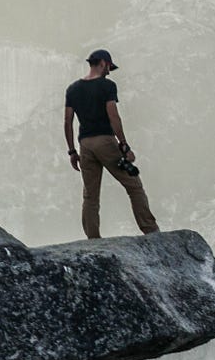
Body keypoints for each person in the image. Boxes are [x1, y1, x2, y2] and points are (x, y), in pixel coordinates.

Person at [64, 49, 159, 238]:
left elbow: (67, 121)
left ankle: (93, 238)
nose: (109, 71)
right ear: (102, 63)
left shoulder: (73, 89)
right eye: (109, 67)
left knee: (90, 195)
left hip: (85, 145)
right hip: (105, 142)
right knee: (133, 185)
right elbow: (113, 115)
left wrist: (72, 152)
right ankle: (150, 230)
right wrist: (123, 144)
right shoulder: (107, 86)